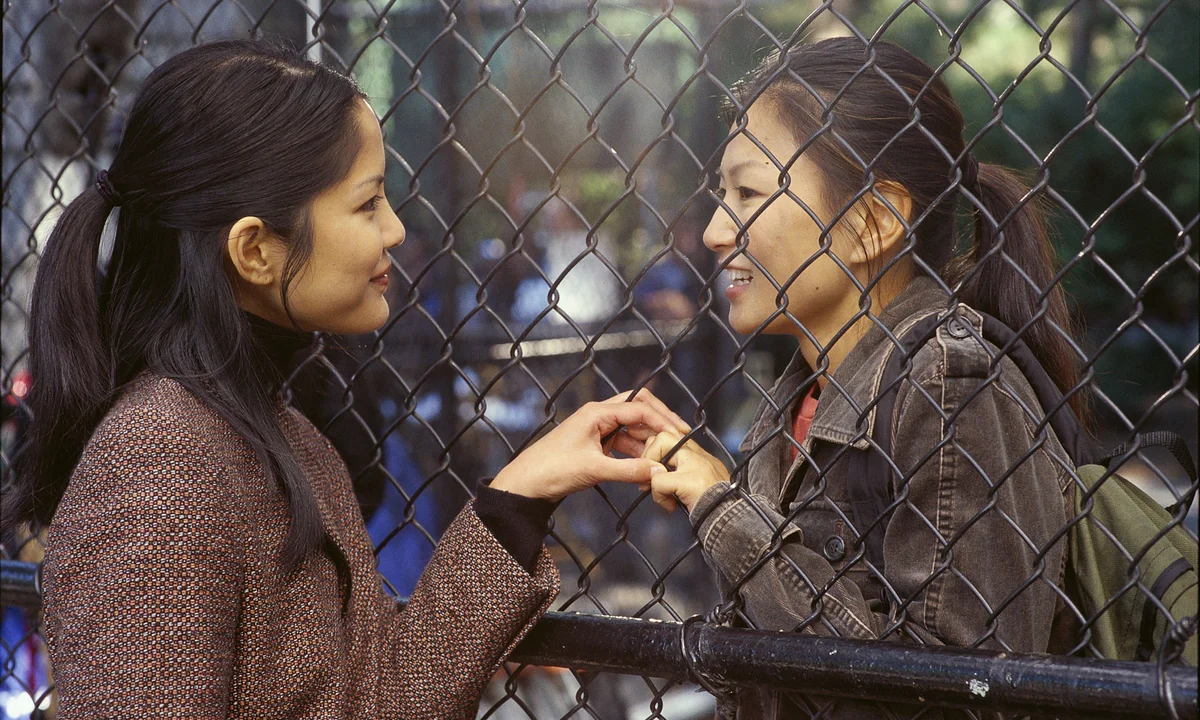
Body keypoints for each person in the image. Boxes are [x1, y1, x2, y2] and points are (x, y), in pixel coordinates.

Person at [0, 40, 686, 719]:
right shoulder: (158, 461)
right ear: (255, 250)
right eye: (367, 204)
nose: (394, 229)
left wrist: (520, 496)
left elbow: (378, 703)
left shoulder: (278, 433)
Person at [640, 38, 1085, 718]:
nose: (713, 231)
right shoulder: (797, 394)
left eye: (750, 193)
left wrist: (723, 512)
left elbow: (951, 697)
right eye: (720, 194)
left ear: (874, 221)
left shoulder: (946, 380)